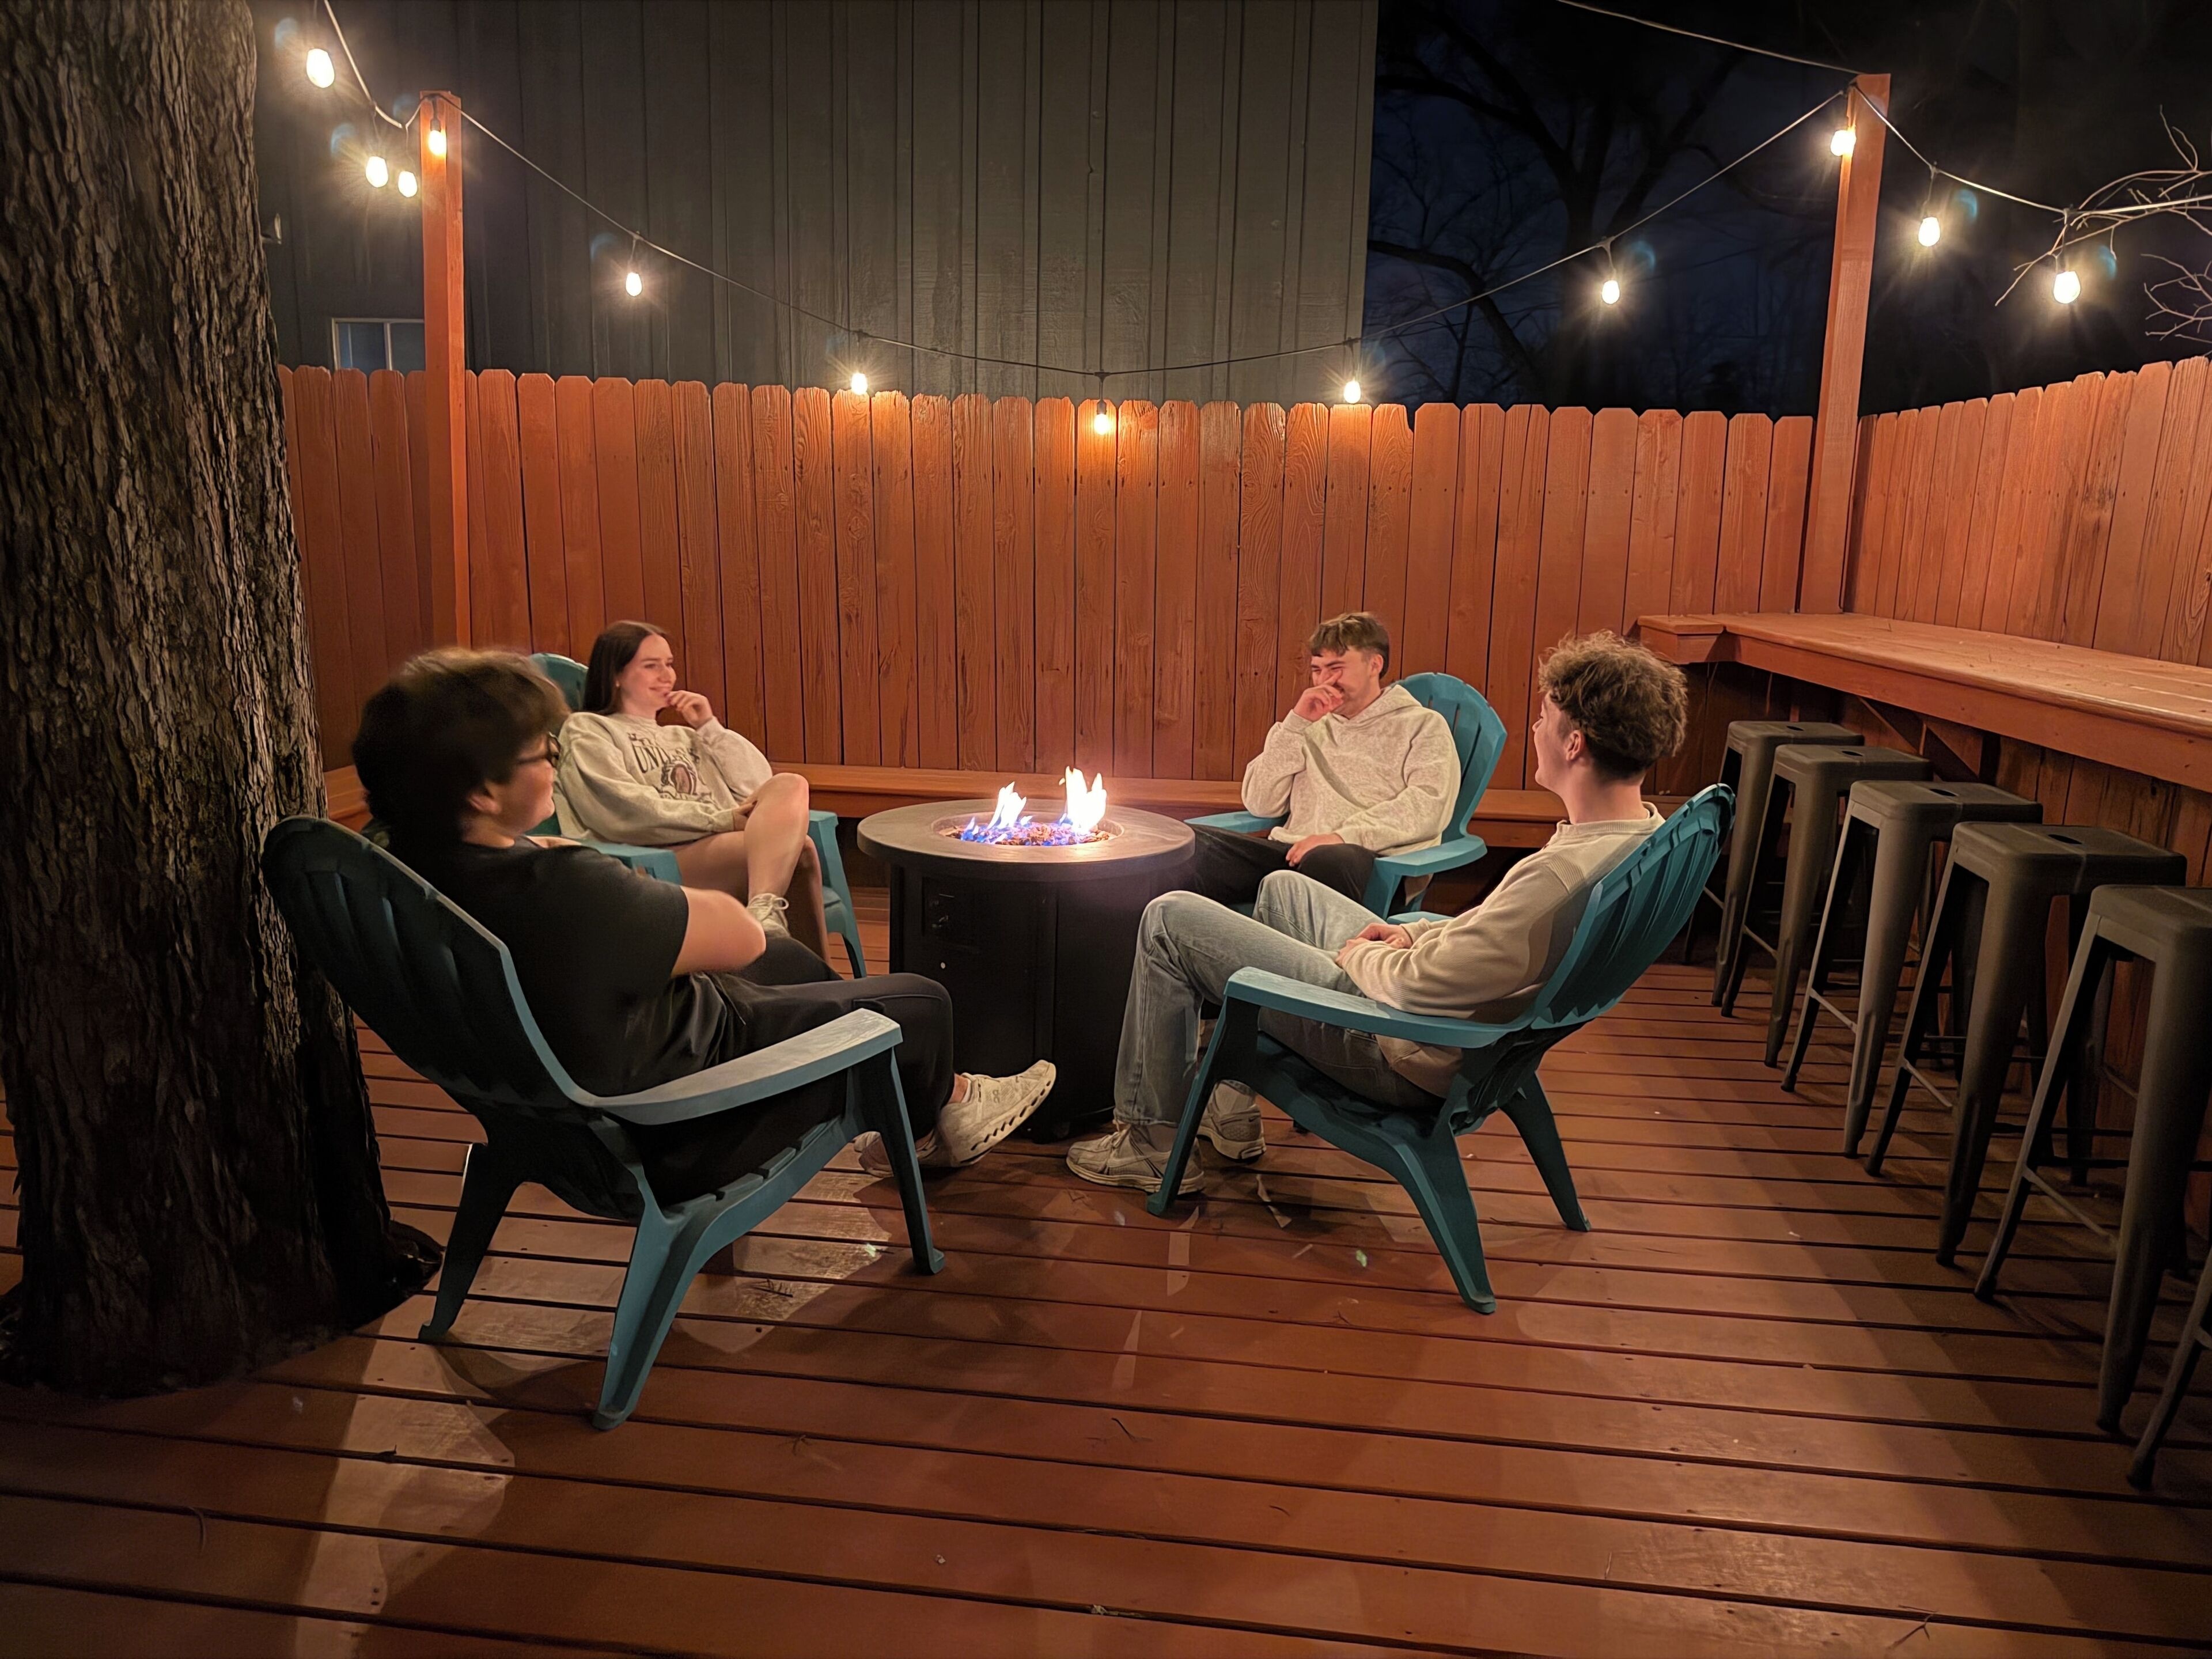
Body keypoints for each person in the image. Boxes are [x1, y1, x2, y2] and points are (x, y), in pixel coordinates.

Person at [352, 649, 1056, 1202]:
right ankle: (944, 1113)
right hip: (681, 1122)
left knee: (791, 965)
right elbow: (740, 934)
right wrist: (603, 872)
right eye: (540, 753)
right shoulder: (557, 886)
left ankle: (936, 1100)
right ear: (483, 791)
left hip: (569, 1100)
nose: (553, 761)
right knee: (920, 1003)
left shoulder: (402, 873)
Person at [1067, 631, 1688, 1191]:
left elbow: (1422, 984)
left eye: (1545, 718)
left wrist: (1363, 954)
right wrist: (1412, 934)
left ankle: (1149, 1142)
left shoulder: (1555, 874)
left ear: (1575, 743)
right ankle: (1229, 1096)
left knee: (1172, 919)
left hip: (1398, 1045)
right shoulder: (1634, 838)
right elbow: (1487, 943)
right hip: (1441, 1013)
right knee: (1284, 890)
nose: (1535, 729)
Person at [553, 621, 832, 963]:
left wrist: (710, 728)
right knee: (799, 849)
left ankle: (768, 915)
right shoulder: (589, 728)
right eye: (651, 666)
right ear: (616, 675)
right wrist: (722, 820)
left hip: (710, 845)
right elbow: (621, 810)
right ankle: (805, 968)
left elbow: (755, 787)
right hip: (651, 858)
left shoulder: (684, 736)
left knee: (790, 784)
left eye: (669, 664)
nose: (666, 676)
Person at [1189, 611, 1460, 910]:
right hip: (1289, 854)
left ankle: (1289, 937)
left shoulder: (1422, 726)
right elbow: (1260, 803)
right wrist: (1296, 724)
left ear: (1375, 665)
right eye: (1317, 670)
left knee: (1328, 859)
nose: (1324, 680)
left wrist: (1342, 836)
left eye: (1336, 668)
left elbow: (1427, 805)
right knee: (1186, 845)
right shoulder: (1308, 727)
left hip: (1372, 864)